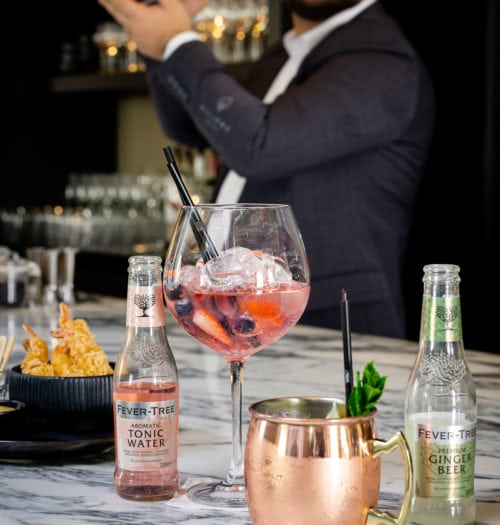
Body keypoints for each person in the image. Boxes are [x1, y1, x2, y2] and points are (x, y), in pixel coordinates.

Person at [97, 0, 435, 339]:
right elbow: (192, 127)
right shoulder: (281, 57)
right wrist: (157, 44)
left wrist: (176, 41)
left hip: (327, 324)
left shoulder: (383, 58)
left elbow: (258, 146)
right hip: (233, 309)